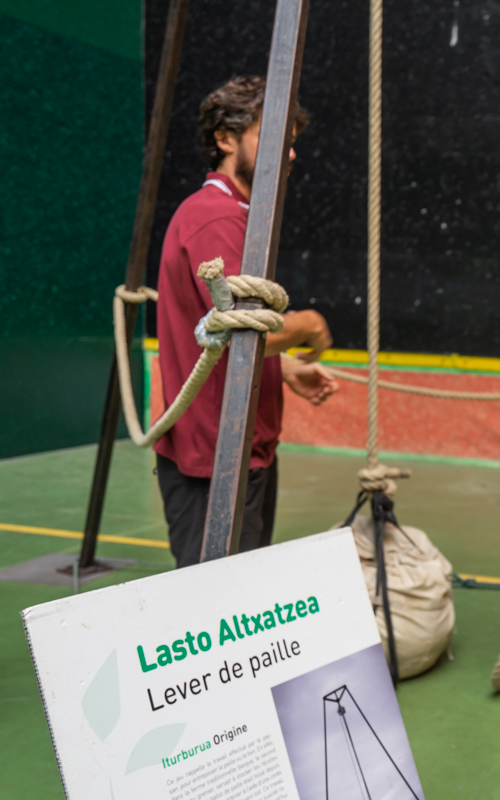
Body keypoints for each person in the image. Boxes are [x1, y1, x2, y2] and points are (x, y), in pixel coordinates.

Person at [155, 76, 338, 569]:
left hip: (235, 451)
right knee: (215, 603)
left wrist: (285, 369)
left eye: (292, 141)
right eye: (273, 136)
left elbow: (213, 332)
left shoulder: (230, 213)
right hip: (217, 458)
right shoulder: (216, 217)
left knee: (236, 595)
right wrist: (308, 325)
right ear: (225, 138)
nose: (290, 153)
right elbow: (243, 330)